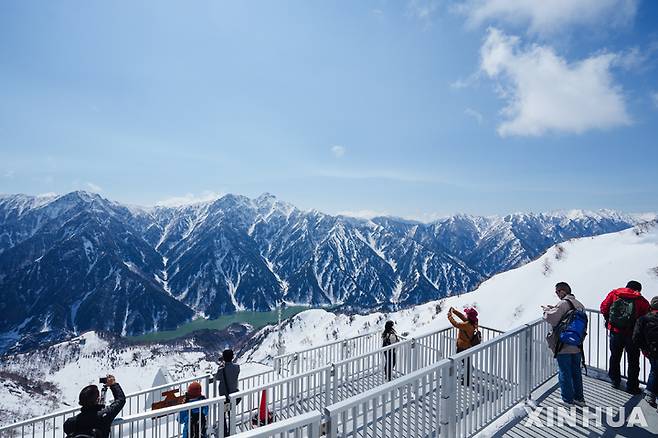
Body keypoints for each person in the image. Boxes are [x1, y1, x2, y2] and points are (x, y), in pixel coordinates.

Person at [600, 280, 650, 393]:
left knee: (615, 356)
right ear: (638, 290)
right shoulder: (640, 300)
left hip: (615, 332)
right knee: (633, 360)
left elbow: (603, 307)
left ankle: (614, 380)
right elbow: (646, 316)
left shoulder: (614, 294)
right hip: (632, 334)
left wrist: (609, 320)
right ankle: (632, 386)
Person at [543, 282, 586, 406]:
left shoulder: (562, 304)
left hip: (563, 344)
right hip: (577, 344)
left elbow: (552, 318)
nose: (557, 294)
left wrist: (546, 311)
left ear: (563, 291)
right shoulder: (579, 305)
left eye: (557, 292)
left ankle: (567, 399)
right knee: (576, 371)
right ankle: (579, 398)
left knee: (564, 371)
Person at [632, 296, 658, 409]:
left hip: (651, 350)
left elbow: (636, 337)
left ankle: (650, 394)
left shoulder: (643, 319)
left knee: (654, 370)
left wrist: (644, 349)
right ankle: (650, 393)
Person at [448, 306, 479, 385]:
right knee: (466, 362)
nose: (466, 315)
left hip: (462, 347)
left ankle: (465, 378)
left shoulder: (466, 325)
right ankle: (467, 377)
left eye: (467, 314)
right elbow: (463, 317)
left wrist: (449, 316)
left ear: (469, 317)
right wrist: (454, 311)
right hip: (468, 346)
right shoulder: (473, 323)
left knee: (462, 363)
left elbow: (456, 324)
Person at [215, 349, 241, 436]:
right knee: (231, 413)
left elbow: (217, 378)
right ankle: (232, 431)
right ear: (232, 357)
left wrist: (221, 366)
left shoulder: (221, 369)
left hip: (223, 396)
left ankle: (224, 432)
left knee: (223, 415)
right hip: (233, 395)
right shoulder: (237, 367)